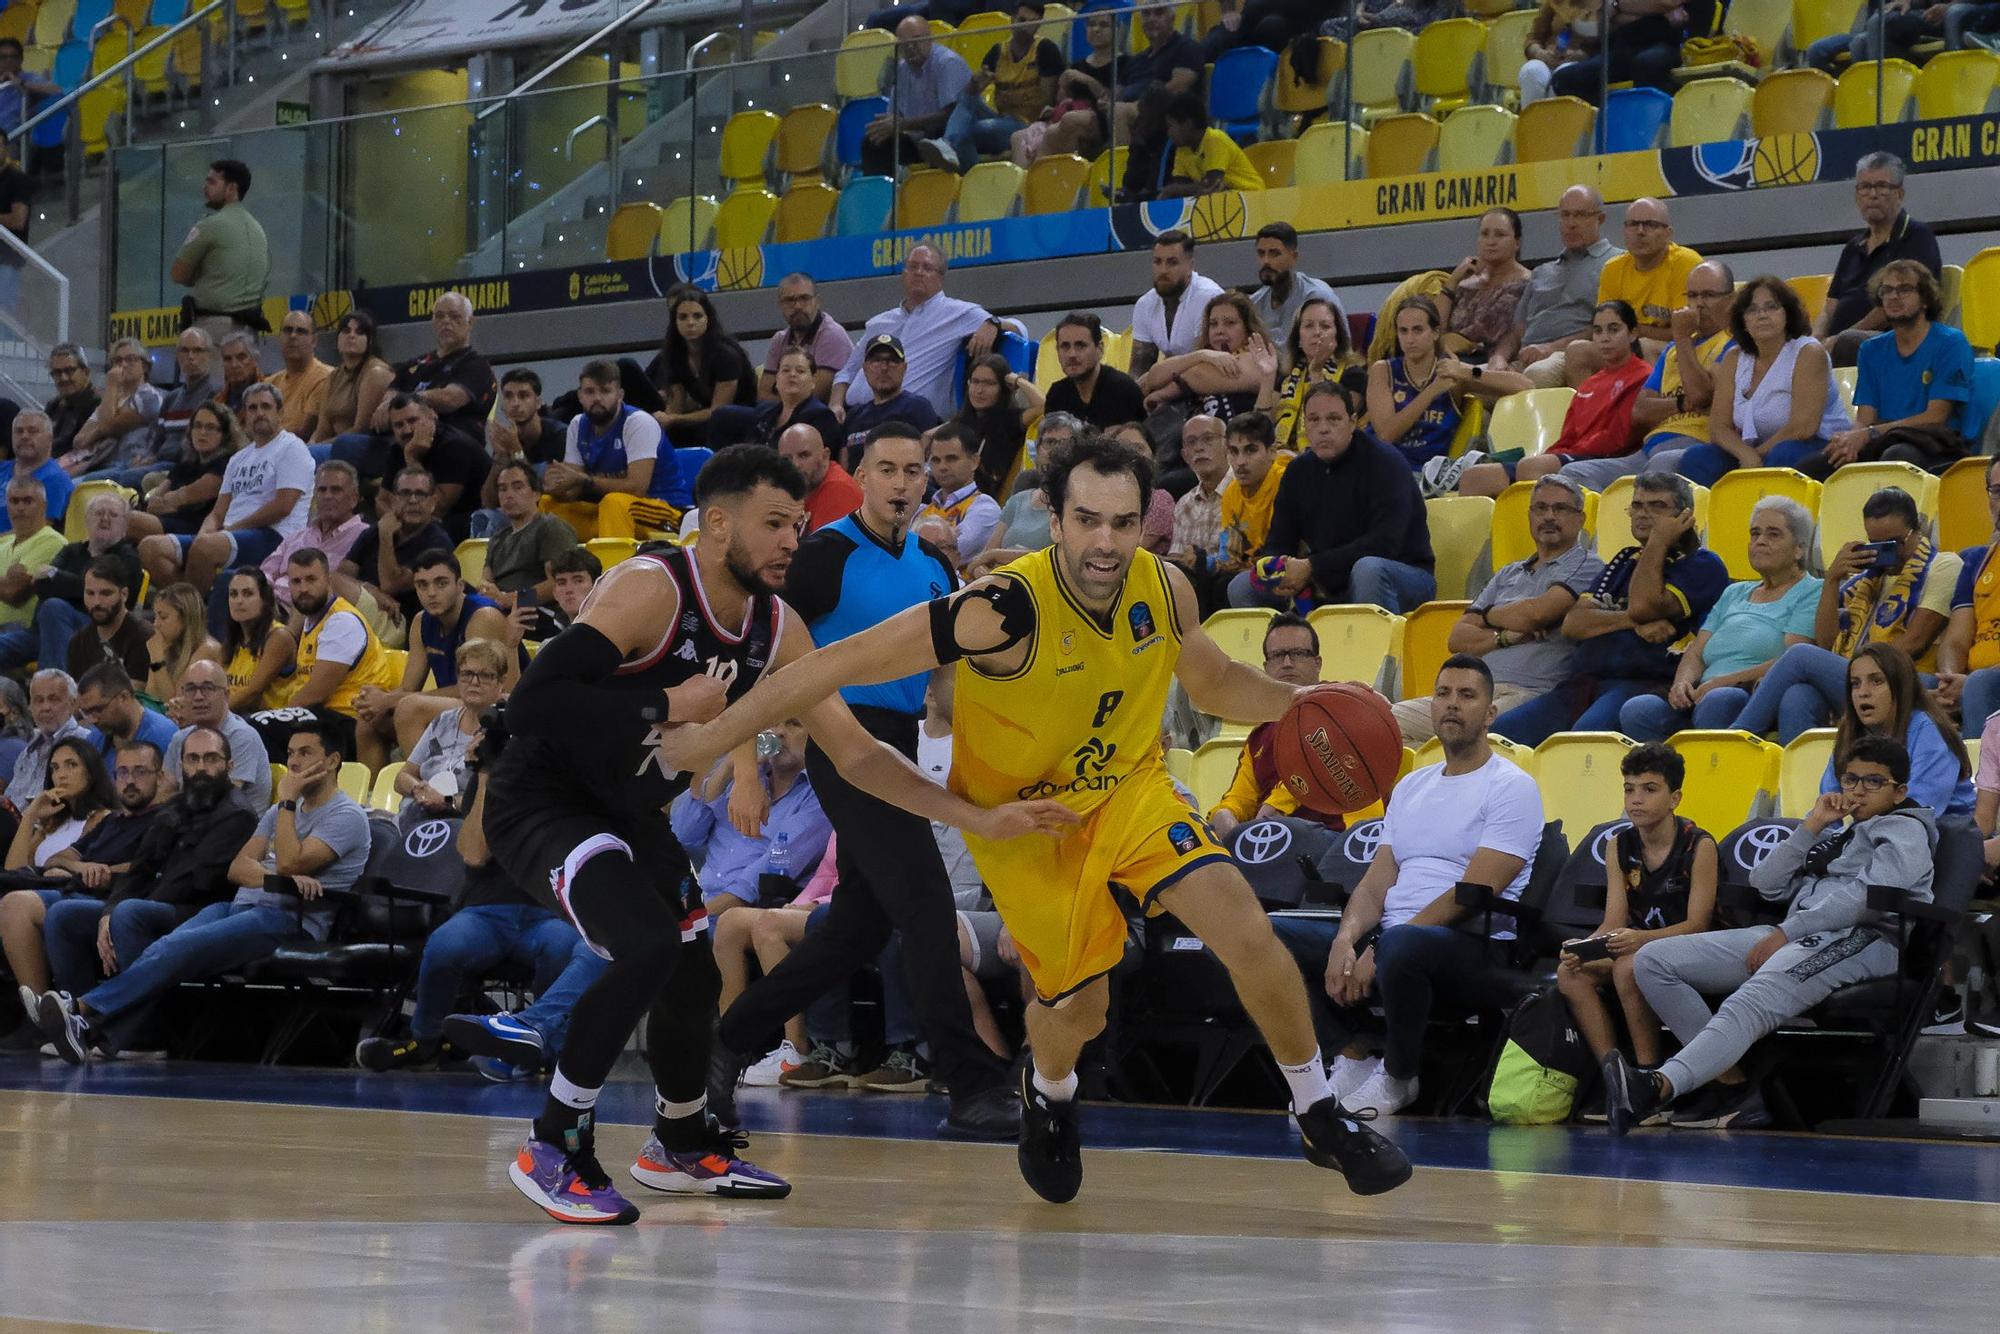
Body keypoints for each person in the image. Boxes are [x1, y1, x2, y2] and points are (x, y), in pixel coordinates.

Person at [656, 436, 1413, 1203]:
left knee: (1245, 929)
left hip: (1129, 790)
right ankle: (1048, 1093)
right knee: (1082, 1006)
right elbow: (830, 665)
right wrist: (712, 742)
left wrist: (1311, 706)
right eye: (1088, 520)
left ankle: (1317, 1110)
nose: (1106, 541)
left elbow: (1216, 684)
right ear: (1054, 521)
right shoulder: (1000, 608)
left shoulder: (1166, 586)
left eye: (1122, 522)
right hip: (1026, 821)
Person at [469, 447, 1068, 1225]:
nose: (793, 539)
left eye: (799, 523)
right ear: (718, 525)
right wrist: (664, 704)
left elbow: (855, 755)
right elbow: (532, 705)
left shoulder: (779, 630)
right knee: (649, 946)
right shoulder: (652, 589)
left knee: (690, 971)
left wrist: (978, 818)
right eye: (775, 524)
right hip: (546, 800)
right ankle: (553, 1142)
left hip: (630, 811)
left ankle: (679, 1142)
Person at [704, 423, 1020, 1131]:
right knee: (929, 907)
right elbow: (760, 656)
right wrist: (746, 765)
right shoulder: (822, 555)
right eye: (887, 469)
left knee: (851, 932)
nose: (903, 483)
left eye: (915, 471)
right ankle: (971, 1086)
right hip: (843, 739)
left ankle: (723, 1043)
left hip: (900, 741)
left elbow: (949, 677)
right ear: (863, 475)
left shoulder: (936, 566)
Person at [1612, 735, 1937, 1133]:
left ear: (1899, 791)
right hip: (1797, 933)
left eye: (1873, 782)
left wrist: (1787, 931)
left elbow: (1867, 900)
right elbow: (1765, 882)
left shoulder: (1906, 830)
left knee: (1751, 999)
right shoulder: (1838, 834)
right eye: (1850, 780)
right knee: (1653, 960)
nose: (1858, 791)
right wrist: (1812, 825)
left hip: (1864, 938)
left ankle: (1658, 1086)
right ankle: (1731, 1085)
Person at [1272, 654, 1546, 1116]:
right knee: (1269, 933)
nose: (1452, 705)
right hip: (1396, 937)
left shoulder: (1511, 787)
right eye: (1443, 694)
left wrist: (1378, 946)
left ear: (1491, 713)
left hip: (1472, 943)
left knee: (1402, 943)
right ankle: (1351, 1050)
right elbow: (1374, 884)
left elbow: (1476, 890)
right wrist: (1346, 938)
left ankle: (1400, 1077)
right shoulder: (1410, 786)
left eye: (1467, 695)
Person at [35, 720, 372, 1064]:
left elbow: (289, 863)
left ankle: (79, 1008)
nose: (295, 763)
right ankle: (92, 1032)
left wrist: (285, 808)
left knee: (177, 947)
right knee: (166, 948)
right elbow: (238, 869)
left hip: (288, 920)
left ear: (332, 761)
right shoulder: (276, 812)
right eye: (290, 754)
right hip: (238, 906)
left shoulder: (346, 816)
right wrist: (275, 872)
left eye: (305, 753)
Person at [362, 747, 608, 1078]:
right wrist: (485, 776)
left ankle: (539, 1047)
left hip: (548, 914)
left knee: (565, 950)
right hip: (486, 911)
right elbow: (475, 855)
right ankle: (425, 1044)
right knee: (444, 945)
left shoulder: (566, 789)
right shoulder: (490, 784)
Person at [1492, 471, 1728, 745]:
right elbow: (1574, 624)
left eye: (1657, 506)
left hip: (1644, 684)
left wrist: (1658, 543)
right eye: (1637, 506)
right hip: (1585, 683)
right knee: (1500, 734)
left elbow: (1642, 606)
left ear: (1684, 516)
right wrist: (1632, 622)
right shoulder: (1625, 560)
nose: (1643, 514)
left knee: (1585, 739)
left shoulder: (1703, 564)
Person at [33, 728, 259, 1011]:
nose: (201, 767)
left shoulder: (236, 814)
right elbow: (140, 870)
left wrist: (123, 909)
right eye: (193, 759)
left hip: (198, 912)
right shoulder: (175, 806)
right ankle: (76, 1024)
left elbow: (191, 883)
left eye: (211, 758)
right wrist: (108, 912)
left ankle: (135, 1034)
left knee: (131, 913)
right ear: (182, 766)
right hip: (156, 903)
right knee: (64, 915)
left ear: (229, 766)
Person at [1728, 486, 1958, 742]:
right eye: (1877, 544)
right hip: (1859, 679)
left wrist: (1858, 670)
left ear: (1918, 530)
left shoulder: (1943, 565)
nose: (1887, 553)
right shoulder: (1865, 581)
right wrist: (1832, 580)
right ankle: (1807, 779)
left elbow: (1914, 642)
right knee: (1798, 696)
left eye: (1894, 543)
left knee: (1800, 655)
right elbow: (1827, 643)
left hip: (1908, 679)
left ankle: (1737, 741)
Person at [1393, 475, 1602, 744]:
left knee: (1468, 730)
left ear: (1581, 519)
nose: (1549, 516)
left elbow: (1536, 614)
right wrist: (1504, 636)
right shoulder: (1507, 573)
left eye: (1560, 509)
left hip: (1531, 693)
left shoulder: (1589, 566)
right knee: (1387, 723)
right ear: (1529, 516)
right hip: (1476, 690)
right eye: (1541, 508)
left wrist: (1488, 615)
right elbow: (1458, 639)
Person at [1556, 744, 1717, 1076]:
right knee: (1570, 973)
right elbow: (1613, 921)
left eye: (1649, 789)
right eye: (1629, 789)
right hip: (1637, 944)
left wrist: (1640, 939)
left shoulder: (1699, 845)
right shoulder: (1619, 845)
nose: (1635, 799)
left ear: (1675, 798)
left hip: (1692, 949)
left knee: (1629, 966)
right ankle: (1614, 1075)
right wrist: (1584, 949)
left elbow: (1698, 925)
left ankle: (1648, 1075)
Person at [1620, 497, 1821, 740]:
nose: (1760, 541)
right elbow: (1696, 652)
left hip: (1752, 694)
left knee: (1720, 700)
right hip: (1702, 691)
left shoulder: (1811, 590)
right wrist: (1681, 684)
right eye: (1755, 533)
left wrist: (1723, 682)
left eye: (1773, 534)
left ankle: (1711, 772)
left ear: (1799, 548)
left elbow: (1792, 660)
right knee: (1637, 710)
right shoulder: (1733, 592)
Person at [1240, 382, 1436, 611]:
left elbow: (1385, 544)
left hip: (1404, 573)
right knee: (1242, 586)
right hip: (1328, 577)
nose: (1323, 428)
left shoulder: (1385, 463)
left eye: (1333, 419)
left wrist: (1312, 566)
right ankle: (1287, 645)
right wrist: (1279, 567)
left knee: (1368, 570)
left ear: (1352, 422)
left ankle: (1375, 647)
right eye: (1314, 420)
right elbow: (1280, 541)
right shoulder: (1297, 472)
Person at [1796, 260, 1978, 479]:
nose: (1893, 296)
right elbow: (1864, 418)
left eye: (1905, 289)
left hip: (1936, 445)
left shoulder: (1950, 342)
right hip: (1884, 440)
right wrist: (1849, 440)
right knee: (1808, 469)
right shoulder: (1871, 349)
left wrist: (1869, 433)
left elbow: (1936, 416)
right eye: (1887, 290)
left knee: (1895, 458)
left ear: (1926, 299)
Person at [1455, 301, 1655, 498]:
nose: (1604, 338)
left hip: (1606, 459)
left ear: (1633, 333)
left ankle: (1539, 529)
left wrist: (1559, 456)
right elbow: (1569, 434)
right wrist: (1554, 453)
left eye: (1613, 329)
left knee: (1533, 467)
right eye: (1598, 331)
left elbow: (1619, 438)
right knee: (1474, 477)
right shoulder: (1591, 383)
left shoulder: (1642, 376)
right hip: (1574, 454)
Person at [1674, 276, 1850, 486]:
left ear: (1788, 314)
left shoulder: (1808, 352)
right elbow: (1718, 427)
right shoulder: (1734, 357)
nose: (1762, 315)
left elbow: (1802, 428)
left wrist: (1756, 455)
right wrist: (1744, 454)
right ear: (1743, 321)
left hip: (1817, 445)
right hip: (1755, 450)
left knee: (1782, 456)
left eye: (1771, 307)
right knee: (1698, 458)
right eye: (1752, 310)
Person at [140, 383, 311, 595]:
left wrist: (233, 529)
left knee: (206, 548)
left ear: (280, 413)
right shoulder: (239, 459)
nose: (259, 413)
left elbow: (283, 506)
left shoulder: (292, 448)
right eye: (253, 408)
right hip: (230, 533)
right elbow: (218, 512)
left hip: (273, 535)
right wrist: (205, 534)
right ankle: (193, 607)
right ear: (245, 415)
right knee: (151, 548)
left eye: (266, 407)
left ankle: (188, 614)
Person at [355, 548, 513, 773]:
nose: (431, 593)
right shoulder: (421, 621)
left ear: (459, 586)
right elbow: (409, 687)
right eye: (422, 585)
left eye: (441, 584)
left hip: (495, 704)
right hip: (458, 706)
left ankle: (430, 789)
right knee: (370, 719)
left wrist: (390, 700)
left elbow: (476, 685)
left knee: (409, 708)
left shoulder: (483, 616)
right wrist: (380, 701)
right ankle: (371, 799)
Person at [672, 715, 832, 917]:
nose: (778, 732)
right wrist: (729, 768)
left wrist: (692, 921)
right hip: (697, 898)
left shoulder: (819, 796)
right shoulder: (742, 773)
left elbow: (758, 882)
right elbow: (683, 834)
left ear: (817, 736)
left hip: (743, 914)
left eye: (793, 724)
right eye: (773, 722)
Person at [254, 547, 398, 759]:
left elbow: (316, 693)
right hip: (322, 715)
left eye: (311, 579)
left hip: (348, 720)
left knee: (257, 728)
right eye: (296, 582)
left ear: (329, 580)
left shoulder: (341, 621)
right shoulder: (312, 618)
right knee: (250, 728)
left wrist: (278, 713)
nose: (303, 588)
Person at [1207, 614, 1341, 837]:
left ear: (1317, 663)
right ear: (1266, 667)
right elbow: (1241, 796)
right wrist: (1225, 814)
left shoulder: (1340, 706)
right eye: (1278, 656)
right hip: (1276, 838)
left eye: (1298, 653)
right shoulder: (1260, 736)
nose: (1287, 663)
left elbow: (1316, 765)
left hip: (1340, 836)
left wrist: (1274, 808)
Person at [832, 246, 999, 421]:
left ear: (940, 278)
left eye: (927, 268)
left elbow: (1018, 328)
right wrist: (835, 404)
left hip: (913, 421)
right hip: (860, 417)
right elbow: (846, 373)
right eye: (913, 267)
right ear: (903, 275)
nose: (919, 272)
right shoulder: (878, 323)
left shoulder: (957, 312)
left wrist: (992, 324)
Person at [1816, 153, 1943, 367]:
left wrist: (1845, 335)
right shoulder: (1852, 247)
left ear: (1900, 193)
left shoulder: (1917, 236)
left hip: (1895, 339)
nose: (1872, 194)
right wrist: (1815, 339)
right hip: (1843, 342)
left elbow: (1898, 302)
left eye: (1882, 186)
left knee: (1849, 344)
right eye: (1864, 187)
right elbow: (1830, 308)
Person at [1824, 642, 1975, 818]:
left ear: (1901, 687)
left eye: (1876, 681)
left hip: (1946, 835)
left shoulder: (1929, 731)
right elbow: (1828, 803)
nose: (1863, 692)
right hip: (1877, 835)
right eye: (1855, 684)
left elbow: (1919, 810)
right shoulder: (1850, 733)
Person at [0, 490, 140, 676]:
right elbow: (42, 586)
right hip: (42, 633)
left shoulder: (127, 557)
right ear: (87, 520)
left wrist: (59, 579)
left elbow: (109, 598)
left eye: (113, 515)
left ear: (124, 526)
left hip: (96, 632)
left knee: (54, 607)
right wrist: (75, 586)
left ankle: (54, 688)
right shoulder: (71, 550)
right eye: (98, 513)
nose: (105, 519)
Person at [543, 359, 683, 542]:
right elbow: (573, 489)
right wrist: (556, 486)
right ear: (580, 396)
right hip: (613, 513)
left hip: (664, 511)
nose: (597, 399)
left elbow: (637, 487)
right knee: (548, 505)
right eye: (590, 392)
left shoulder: (638, 422)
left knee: (614, 503)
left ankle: (615, 566)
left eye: (605, 391)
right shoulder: (577, 425)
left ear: (620, 395)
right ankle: (563, 569)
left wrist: (583, 480)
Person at [918, 2, 1064, 173]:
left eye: (1031, 22)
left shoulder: (1045, 50)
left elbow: (1048, 99)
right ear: (1012, 20)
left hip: (1028, 124)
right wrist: (974, 83)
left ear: (1038, 25)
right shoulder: (997, 52)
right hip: (1003, 118)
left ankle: (960, 162)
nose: (1025, 27)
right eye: (1022, 20)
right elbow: (972, 93)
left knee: (972, 131)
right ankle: (950, 146)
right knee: (967, 98)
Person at [1493, 186, 1620, 383]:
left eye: (1580, 215)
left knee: (1537, 375)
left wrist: (1551, 348)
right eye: (1565, 215)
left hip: (1565, 356)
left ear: (1600, 219)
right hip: (1524, 358)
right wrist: (1498, 358)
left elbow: (1609, 326)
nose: (1571, 224)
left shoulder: (1616, 263)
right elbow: (1516, 330)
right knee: (1459, 380)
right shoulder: (1541, 272)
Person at [389, 638, 509, 818]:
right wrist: (419, 789)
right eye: (467, 673)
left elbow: (495, 800)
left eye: (485, 675)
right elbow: (402, 777)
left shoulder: (504, 732)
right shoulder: (443, 720)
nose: (474, 682)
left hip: (464, 822)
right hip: (418, 811)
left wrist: (446, 801)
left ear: (500, 683)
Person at [635, 287, 757, 446]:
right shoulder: (673, 355)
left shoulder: (726, 355)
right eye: (683, 317)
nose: (690, 323)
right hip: (704, 417)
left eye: (697, 316)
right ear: (675, 322)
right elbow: (676, 406)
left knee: (709, 427)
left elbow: (718, 410)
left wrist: (675, 419)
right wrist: (660, 421)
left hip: (738, 416)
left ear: (708, 319)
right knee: (665, 435)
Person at [1138, 291, 1280, 425]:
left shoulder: (1258, 359)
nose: (1219, 330)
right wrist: (1201, 355)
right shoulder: (1203, 359)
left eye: (1230, 323)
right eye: (1213, 324)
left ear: (1247, 328)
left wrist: (1165, 392)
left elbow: (1198, 376)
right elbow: (1153, 377)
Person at [1590, 198, 1703, 361]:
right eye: (1633, 224)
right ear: (1624, 230)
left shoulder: (1686, 263)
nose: (1640, 231)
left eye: (1650, 225)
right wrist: (1630, 333)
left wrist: (1634, 331)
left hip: (1678, 347)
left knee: (1644, 346)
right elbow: (1603, 327)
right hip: (1624, 344)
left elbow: (1685, 331)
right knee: (1578, 351)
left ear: (1668, 233)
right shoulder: (1612, 268)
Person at [169, 159, 270, 341]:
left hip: (214, 330)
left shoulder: (210, 225)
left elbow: (178, 274)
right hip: (250, 331)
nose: (204, 187)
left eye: (212, 182)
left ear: (232, 188)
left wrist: (200, 273)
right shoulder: (258, 229)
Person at [340, 464, 451, 626]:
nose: (412, 500)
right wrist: (369, 589)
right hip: (363, 611)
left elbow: (390, 585)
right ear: (393, 500)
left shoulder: (437, 543)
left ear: (433, 502)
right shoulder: (373, 532)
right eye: (405, 494)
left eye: (420, 494)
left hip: (399, 620)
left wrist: (385, 537)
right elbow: (341, 575)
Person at [863, 16, 973, 176]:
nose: (911, 48)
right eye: (905, 44)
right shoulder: (901, 70)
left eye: (916, 40)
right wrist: (887, 124)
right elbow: (895, 114)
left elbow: (951, 115)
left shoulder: (947, 63)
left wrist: (902, 124)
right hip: (918, 138)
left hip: (945, 134)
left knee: (940, 137)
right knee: (873, 143)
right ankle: (883, 196)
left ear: (930, 38)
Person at [1366, 296, 1467, 470]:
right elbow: (1386, 436)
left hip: (1427, 474)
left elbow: (1522, 384)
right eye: (1403, 331)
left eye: (1417, 330)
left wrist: (1469, 372)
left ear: (1435, 332)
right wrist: (1432, 391)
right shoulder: (1383, 370)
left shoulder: (1450, 373)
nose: (1410, 339)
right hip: (1381, 468)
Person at [1939, 457, 2000, 739]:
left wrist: (1972, 683)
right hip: (1977, 680)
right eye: (1997, 491)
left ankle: (1980, 780)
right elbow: (1955, 640)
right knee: (1898, 684)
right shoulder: (1976, 561)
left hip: (1985, 681)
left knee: (1980, 684)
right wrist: (1950, 680)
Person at [259, 460, 368, 611]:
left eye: (336, 490)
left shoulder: (364, 536)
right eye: (322, 490)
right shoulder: (297, 536)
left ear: (354, 498)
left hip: (313, 611)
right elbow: (265, 572)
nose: (327, 496)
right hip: (271, 605)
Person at [162, 658, 272, 808]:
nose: (198, 697)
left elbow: (219, 801)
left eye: (208, 688)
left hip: (234, 826)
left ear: (226, 695)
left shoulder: (241, 736)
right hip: (189, 823)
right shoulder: (180, 738)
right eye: (191, 689)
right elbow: (162, 792)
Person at [381, 395, 490, 537]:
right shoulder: (398, 448)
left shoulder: (454, 445)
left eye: (413, 420)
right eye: (398, 425)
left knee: (424, 533)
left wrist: (412, 459)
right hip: (431, 520)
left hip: (473, 519)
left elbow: (437, 508)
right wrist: (397, 521)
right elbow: (382, 500)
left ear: (432, 416)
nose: (407, 430)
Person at [127, 401, 236, 543]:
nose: (202, 432)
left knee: (128, 520)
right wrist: (169, 504)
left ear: (225, 435)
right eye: (197, 426)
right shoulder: (186, 464)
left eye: (210, 427)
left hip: (197, 529)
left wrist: (169, 503)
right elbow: (154, 500)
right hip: (170, 521)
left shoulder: (227, 463)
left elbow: (192, 494)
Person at [3, 738, 115, 874]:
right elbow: (13, 872)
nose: (61, 775)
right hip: (33, 890)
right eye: (55, 768)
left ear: (91, 772)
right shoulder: (52, 822)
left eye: (72, 765)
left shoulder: (102, 818)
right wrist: (30, 816)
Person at [476, 462, 580, 609]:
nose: (509, 495)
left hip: (538, 613)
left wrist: (512, 600)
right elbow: (486, 582)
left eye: (518, 487)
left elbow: (558, 583)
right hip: (501, 611)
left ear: (536, 494)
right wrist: (487, 592)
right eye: (503, 489)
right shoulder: (497, 539)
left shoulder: (550, 527)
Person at [1435, 209, 1533, 365]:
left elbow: (1493, 334)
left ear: (1517, 242)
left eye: (1500, 234)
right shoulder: (1465, 284)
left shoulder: (1528, 284)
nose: (1491, 241)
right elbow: (1433, 330)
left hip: (1492, 365)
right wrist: (1453, 281)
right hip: (1449, 358)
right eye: (1485, 234)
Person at [64, 339, 162, 484]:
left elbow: (107, 426)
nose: (123, 365)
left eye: (131, 359)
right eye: (117, 361)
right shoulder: (111, 400)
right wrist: (99, 432)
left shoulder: (149, 397)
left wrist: (111, 385)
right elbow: (79, 442)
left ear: (145, 366)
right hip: (101, 464)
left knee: (74, 486)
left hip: (130, 464)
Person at [836, 333, 946, 462]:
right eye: (876, 361)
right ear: (865, 369)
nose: (884, 368)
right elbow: (844, 462)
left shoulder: (917, 407)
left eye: (892, 361)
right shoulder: (853, 415)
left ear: (904, 368)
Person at [1129, 231, 1226, 376]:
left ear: (1190, 266)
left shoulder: (1210, 298)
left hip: (1210, 381)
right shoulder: (1145, 304)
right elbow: (1139, 368)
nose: (1163, 270)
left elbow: (1210, 364)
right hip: (1171, 382)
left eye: (1172, 263)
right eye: (1157, 262)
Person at [1248, 223, 1342, 366]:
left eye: (1274, 253)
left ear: (1294, 257)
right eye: (1261, 253)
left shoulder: (1317, 297)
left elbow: (1342, 351)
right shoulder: (1254, 303)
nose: (1266, 261)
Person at [1164, 414, 1232, 610]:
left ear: (1227, 444)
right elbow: (1177, 561)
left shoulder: (1244, 491)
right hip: (1192, 592)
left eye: (1208, 439)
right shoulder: (1184, 504)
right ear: (1185, 455)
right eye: (1191, 443)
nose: (1199, 448)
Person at [915, 423, 1005, 567]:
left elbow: (950, 552)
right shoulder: (921, 509)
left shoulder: (985, 508)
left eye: (951, 459)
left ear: (974, 462)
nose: (942, 467)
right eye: (936, 460)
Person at [1041, 312, 1147, 432]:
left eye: (1080, 346)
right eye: (1065, 346)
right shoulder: (1056, 395)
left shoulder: (1123, 390)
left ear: (1100, 349)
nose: (1072, 354)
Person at [1273, 297, 1356, 450]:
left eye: (1325, 326)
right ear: (1298, 338)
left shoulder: (1354, 375)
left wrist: (1316, 373)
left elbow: (1333, 427)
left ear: (1337, 336)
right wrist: (1266, 378)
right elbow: (1263, 427)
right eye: (1309, 326)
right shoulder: (1286, 376)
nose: (1317, 332)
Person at [757, 273, 853, 403]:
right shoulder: (779, 339)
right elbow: (763, 394)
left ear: (817, 302)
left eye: (804, 298)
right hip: (782, 413)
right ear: (780, 305)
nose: (797, 306)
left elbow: (814, 396)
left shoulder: (832, 335)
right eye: (790, 300)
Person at [956, 353, 1043, 497]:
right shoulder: (961, 422)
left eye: (989, 383)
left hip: (985, 501)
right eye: (975, 382)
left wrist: (1017, 380)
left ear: (1003, 388)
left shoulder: (1010, 421)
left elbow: (1044, 406)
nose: (979, 390)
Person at [310, 311, 396, 447]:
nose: (351, 335)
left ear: (370, 340)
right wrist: (309, 446)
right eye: (346, 330)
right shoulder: (333, 376)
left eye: (360, 332)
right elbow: (322, 428)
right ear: (337, 339)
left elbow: (361, 429)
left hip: (362, 446)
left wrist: (318, 448)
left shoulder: (376, 372)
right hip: (332, 446)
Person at [221, 567, 298, 715]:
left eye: (248, 594)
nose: (239, 601)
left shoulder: (279, 637)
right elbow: (217, 687)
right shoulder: (231, 642)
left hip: (270, 720)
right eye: (233, 594)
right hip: (236, 716)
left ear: (265, 600)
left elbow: (252, 692)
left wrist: (214, 713)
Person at [6, 670, 85, 814]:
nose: (45, 707)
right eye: (38, 700)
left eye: (54, 699)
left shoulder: (84, 743)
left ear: (73, 704)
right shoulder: (27, 752)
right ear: (30, 707)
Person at [1157, 92, 1263, 198]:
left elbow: (1212, 185)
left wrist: (1173, 189)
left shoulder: (1215, 139)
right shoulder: (1182, 150)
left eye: (1170, 126)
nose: (1168, 132)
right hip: (1227, 198)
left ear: (1188, 124)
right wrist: (1176, 190)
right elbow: (1180, 187)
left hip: (1251, 197)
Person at [68, 559, 156, 685]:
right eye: (90, 593)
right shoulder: (78, 643)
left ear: (124, 594)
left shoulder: (143, 637)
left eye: (106, 593)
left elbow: (135, 696)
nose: (97, 602)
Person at [736, 347, 841, 453]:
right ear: (776, 379)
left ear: (813, 380)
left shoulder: (822, 416)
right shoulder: (763, 413)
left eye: (800, 371)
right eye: (786, 370)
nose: (792, 374)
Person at [75, 663, 179, 768]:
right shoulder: (94, 739)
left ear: (124, 697)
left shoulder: (165, 738)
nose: (92, 720)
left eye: (98, 709)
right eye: (86, 712)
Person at [0, 478, 68, 633]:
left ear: (44, 505)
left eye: (27, 501)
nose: (20, 507)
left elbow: (13, 592)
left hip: (18, 631)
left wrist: (8, 584)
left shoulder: (53, 541)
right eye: (14, 501)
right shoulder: (4, 542)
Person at [148, 328, 221, 464]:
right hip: (158, 461)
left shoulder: (215, 395)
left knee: (122, 478)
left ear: (209, 355)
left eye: (198, 350)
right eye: (185, 351)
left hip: (182, 466)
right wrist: (148, 457)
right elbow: (157, 440)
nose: (191, 357)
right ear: (178, 355)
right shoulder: (171, 398)